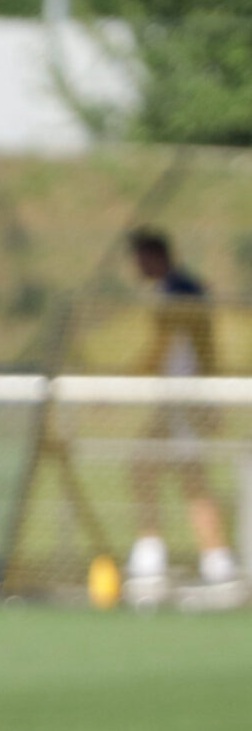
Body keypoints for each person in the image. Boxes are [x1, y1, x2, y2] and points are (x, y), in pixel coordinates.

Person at [122, 228, 239, 605]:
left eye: (141, 258)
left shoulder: (180, 291)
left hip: (184, 399)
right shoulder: (180, 288)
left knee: (182, 477)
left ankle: (209, 563)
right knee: (157, 470)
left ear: (154, 255)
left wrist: (129, 376)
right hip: (178, 400)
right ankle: (190, 559)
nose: (137, 266)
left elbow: (171, 346)